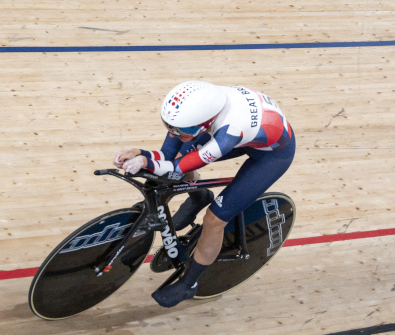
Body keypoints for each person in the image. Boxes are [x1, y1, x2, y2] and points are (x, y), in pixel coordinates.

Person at [113, 80, 296, 308]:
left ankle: (190, 284)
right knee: (180, 153)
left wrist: (143, 161)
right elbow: (167, 155)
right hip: (252, 132)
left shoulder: (228, 133)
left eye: (183, 130)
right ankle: (199, 196)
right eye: (169, 126)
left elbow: (176, 167)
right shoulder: (193, 113)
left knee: (214, 219)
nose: (174, 133)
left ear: (204, 123)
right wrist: (137, 152)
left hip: (272, 156)